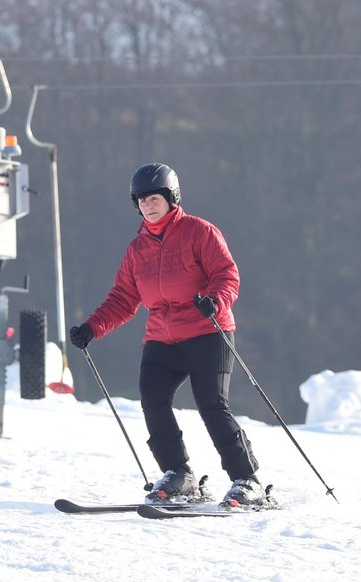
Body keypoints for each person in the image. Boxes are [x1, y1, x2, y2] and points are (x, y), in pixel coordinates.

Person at [69, 163, 265, 507]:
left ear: (172, 198)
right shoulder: (136, 250)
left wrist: (215, 302)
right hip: (162, 336)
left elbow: (226, 274)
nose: (148, 204)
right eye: (141, 199)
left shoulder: (199, 232)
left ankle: (246, 480)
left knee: (211, 404)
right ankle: (178, 474)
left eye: (154, 197)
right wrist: (91, 327)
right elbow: (124, 299)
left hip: (207, 330)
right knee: (153, 400)